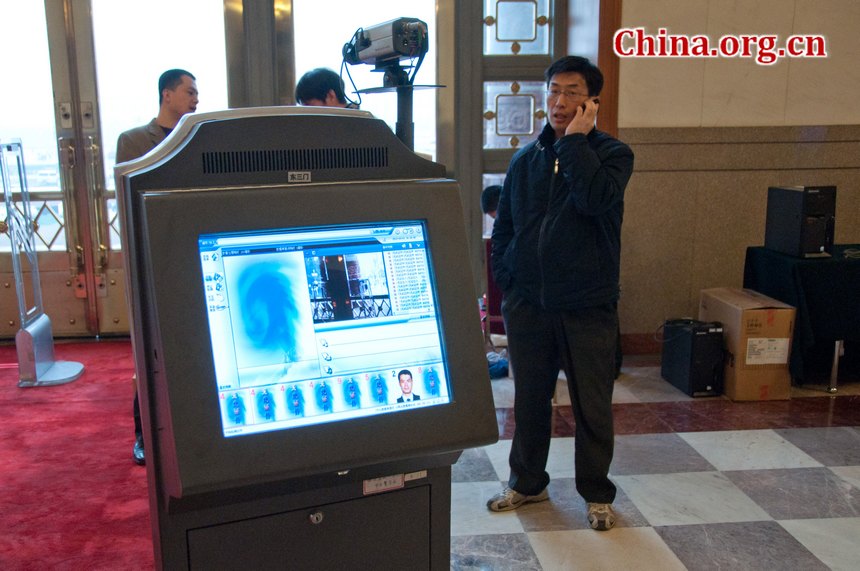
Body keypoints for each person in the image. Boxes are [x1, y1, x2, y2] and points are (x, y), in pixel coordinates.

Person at [486, 56, 634, 532]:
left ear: (593, 101)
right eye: (553, 91)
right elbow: (505, 226)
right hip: (530, 304)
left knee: (592, 405)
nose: (558, 102)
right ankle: (527, 482)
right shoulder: (525, 159)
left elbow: (593, 199)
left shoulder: (613, 155)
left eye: (572, 92)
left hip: (587, 304)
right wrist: (509, 280)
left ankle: (596, 493)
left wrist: (574, 144)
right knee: (529, 398)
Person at [117, 68, 198, 465]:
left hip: (187, 260)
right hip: (149, 260)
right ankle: (143, 436)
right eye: (189, 91)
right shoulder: (134, 141)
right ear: (167, 94)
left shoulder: (197, 140)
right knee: (147, 354)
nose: (195, 99)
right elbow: (130, 199)